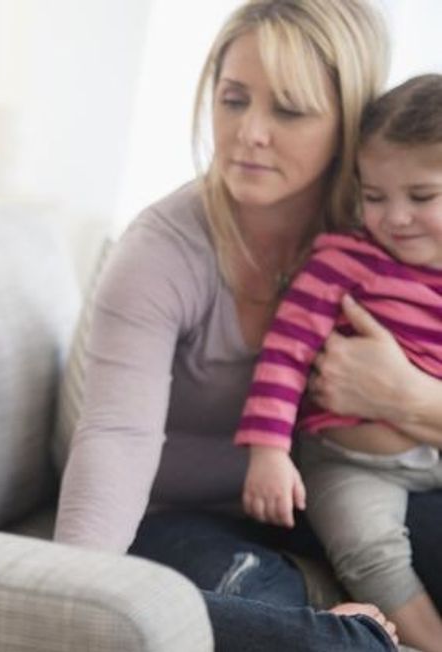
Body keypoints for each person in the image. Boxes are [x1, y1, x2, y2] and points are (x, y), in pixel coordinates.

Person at [54, 1, 442, 649]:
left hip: (330, 492)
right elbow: (117, 436)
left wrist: (407, 398)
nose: (249, 132)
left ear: (349, 121)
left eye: (289, 110)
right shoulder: (159, 251)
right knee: (325, 642)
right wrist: (69, 598)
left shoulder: (387, 223)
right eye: (233, 100)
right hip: (185, 516)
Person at [236, 73, 442, 651]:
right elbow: (286, 352)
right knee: (366, 545)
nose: (394, 217)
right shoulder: (344, 260)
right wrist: (268, 451)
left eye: (421, 197)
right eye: (374, 197)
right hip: (350, 462)